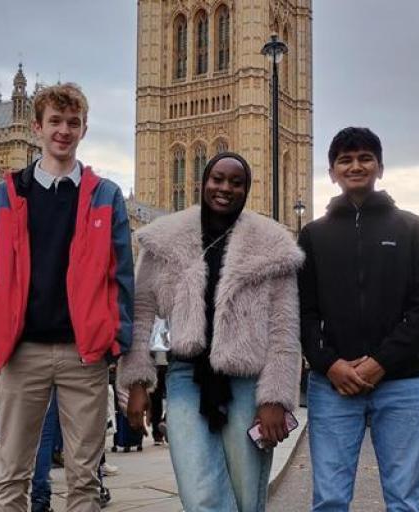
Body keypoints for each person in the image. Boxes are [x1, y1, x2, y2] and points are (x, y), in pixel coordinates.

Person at [0, 82, 134, 512]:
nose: (64, 130)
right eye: (55, 121)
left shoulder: (106, 195)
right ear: (36, 127)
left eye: (73, 123)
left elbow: (122, 276)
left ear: (84, 130)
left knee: (85, 477)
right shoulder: (8, 192)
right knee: (13, 475)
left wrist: (115, 341)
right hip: (22, 351)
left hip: (85, 353)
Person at [119, 152, 303, 511]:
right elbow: (140, 315)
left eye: (236, 182)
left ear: (247, 189)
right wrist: (136, 381)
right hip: (187, 375)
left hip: (247, 380)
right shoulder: (165, 239)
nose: (225, 188)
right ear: (204, 181)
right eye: (218, 179)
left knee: (246, 492)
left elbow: (284, 328)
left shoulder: (272, 245)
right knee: (198, 490)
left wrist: (276, 398)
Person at [298, 127, 419, 511]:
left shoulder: (410, 227)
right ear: (332, 172)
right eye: (345, 160)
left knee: (405, 501)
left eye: (365, 158)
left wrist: (381, 362)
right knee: (329, 500)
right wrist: (329, 364)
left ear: (380, 167)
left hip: (403, 382)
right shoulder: (313, 234)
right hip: (333, 384)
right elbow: (303, 312)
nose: (355, 166)